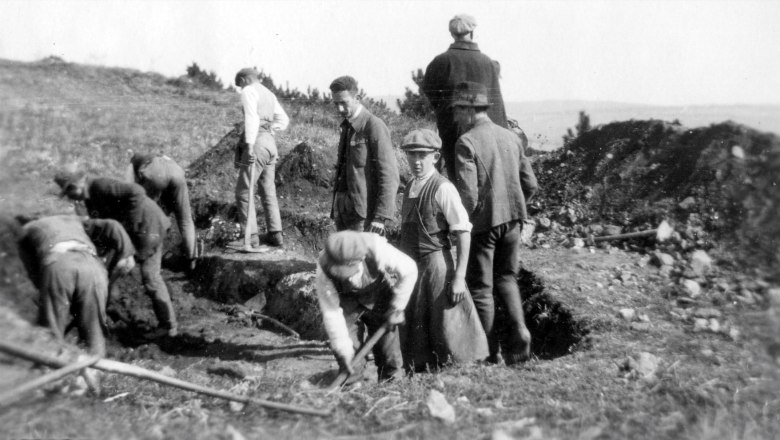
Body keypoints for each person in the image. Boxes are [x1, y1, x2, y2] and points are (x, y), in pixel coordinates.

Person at [451, 82, 539, 365]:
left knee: (481, 288)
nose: (457, 116)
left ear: (467, 109)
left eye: (458, 110)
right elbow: (531, 184)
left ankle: (490, 353)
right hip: (514, 220)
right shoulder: (511, 138)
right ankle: (520, 330)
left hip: (484, 224)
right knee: (507, 278)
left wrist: (463, 223)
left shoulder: (466, 142)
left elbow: (468, 194)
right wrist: (515, 204)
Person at [398, 129, 488, 372]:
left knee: (446, 323)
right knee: (416, 323)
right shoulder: (409, 187)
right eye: (411, 155)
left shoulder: (443, 188)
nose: (416, 161)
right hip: (412, 268)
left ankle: (461, 369)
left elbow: (463, 232)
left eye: (422, 156)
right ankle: (420, 371)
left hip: (436, 266)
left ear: (435, 157)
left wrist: (459, 277)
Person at [55, 171, 178, 338]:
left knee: (150, 277)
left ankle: (168, 327)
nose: (71, 199)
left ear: (76, 186)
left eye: (70, 193)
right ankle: (105, 309)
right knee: (118, 270)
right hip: (138, 230)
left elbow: (136, 191)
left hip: (148, 227)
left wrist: (133, 223)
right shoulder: (90, 198)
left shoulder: (100, 185)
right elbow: (104, 229)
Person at [17, 215, 135, 356]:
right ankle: (96, 371)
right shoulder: (72, 219)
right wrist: (127, 253)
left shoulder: (26, 231)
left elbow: (34, 272)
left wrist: (47, 299)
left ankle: (48, 369)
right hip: (93, 266)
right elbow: (112, 224)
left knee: (51, 329)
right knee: (94, 330)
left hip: (60, 264)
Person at [315, 231, 417, 383]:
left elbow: (410, 270)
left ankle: (391, 384)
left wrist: (398, 306)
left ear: (359, 259)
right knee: (348, 354)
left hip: (378, 294)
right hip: (344, 301)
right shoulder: (324, 268)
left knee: (388, 347)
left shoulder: (377, 248)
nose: (345, 276)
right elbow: (331, 312)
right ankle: (352, 388)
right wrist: (344, 350)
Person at [422, 14, 508, 179]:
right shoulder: (487, 62)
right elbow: (496, 103)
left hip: (454, 133)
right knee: (489, 181)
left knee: (461, 182)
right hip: (490, 135)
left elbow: (430, 93)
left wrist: (447, 113)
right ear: (472, 32)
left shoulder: (441, 62)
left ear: (452, 34)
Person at [329, 76, 399, 234]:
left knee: (360, 258)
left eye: (343, 103)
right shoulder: (347, 126)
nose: (339, 109)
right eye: (336, 104)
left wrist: (381, 216)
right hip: (343, 207)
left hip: (363, 213)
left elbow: (389, 174)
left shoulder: (373, 126)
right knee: (344, 256)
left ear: (357, 98)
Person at [233, 67, 289, 248]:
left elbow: (251, 118)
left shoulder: (249, 91)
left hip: (256, 143)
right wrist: (271, 130)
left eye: (239, 85)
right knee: (267, 190)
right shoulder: (269, 94)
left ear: (243, 80)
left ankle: (250, 238)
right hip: (270, 143)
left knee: (243, 191)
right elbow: (284, 120)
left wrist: (249, 146)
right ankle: (276, 234)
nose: (240, 89)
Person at [126, 151, 196, 265]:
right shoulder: (161, 156)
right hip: (177, 172)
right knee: (185, 219)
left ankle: (144, 252)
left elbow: (132, 188)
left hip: (155, 174)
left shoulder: (135, 160)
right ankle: (191, 260)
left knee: (147, 214)